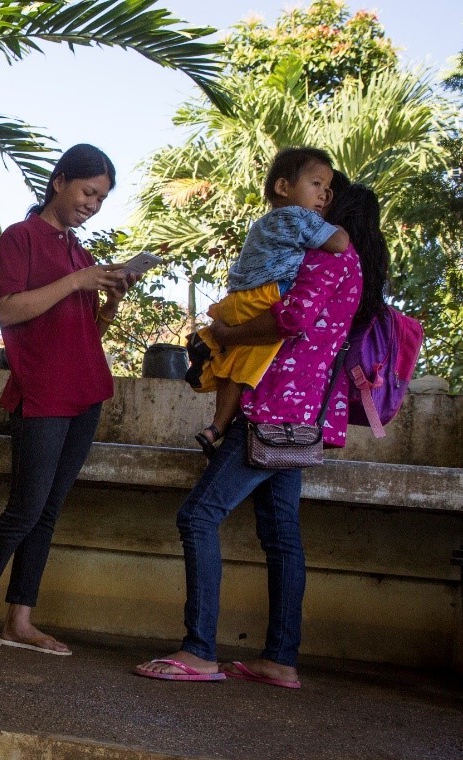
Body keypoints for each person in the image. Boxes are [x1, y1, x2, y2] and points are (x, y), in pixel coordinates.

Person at [135, 180, 387, 687]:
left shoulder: (329, 257)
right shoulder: (359, 266)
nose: (316, 203)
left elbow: (291, 318)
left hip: (273, 408)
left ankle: (199, 650)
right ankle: (279, 659)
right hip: (305, 418)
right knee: (281, 537)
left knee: (199, 516)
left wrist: (227, 334)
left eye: (325, 197)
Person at [0, 144, 136, 654]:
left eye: (100, 198)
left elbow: (86, 333)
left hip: (85, 392)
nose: (92, 204)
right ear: (59, 181)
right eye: (87, 191)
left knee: (49, 509)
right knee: (26, 507)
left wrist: (110, 301)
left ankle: (21, 620)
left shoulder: (81, 253)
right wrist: (76, 280)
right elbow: (7, 311)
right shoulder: (22, 238)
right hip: (42, 393)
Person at [186, 147, 349, 457]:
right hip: (269, 295)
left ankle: (216, 426)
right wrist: (340, 225)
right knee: (256, 357)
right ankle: (206, 347)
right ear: (283, 187)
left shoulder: (267, 220)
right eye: (316, 185)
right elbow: (339, 243)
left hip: (239, 299)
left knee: (239, 360)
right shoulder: (296, 216)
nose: (323, 196)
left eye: (328, 190)